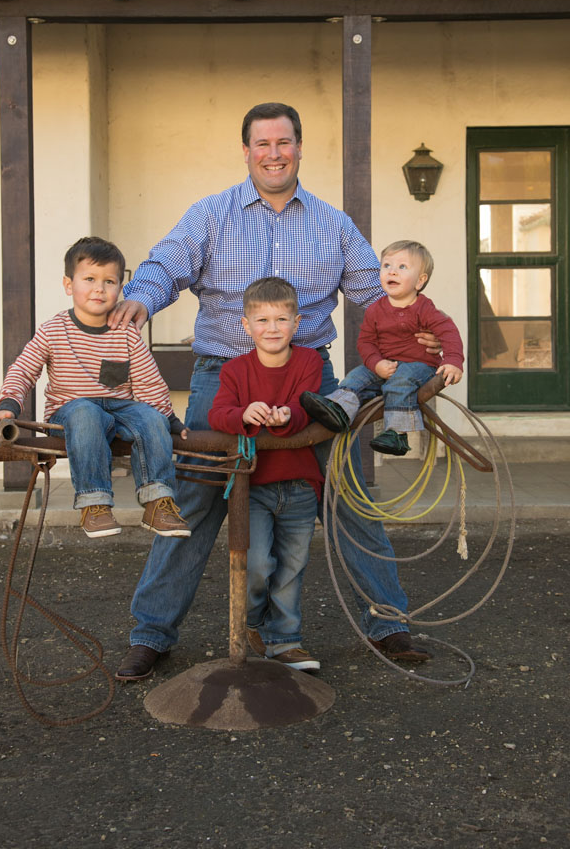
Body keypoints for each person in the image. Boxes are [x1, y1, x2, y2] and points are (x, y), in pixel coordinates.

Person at [112, 101, 435, 682]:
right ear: (246, 152)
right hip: (224, 375)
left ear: (300, 148)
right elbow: (166, 264)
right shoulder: (211, 216)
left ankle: (389, 623)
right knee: (194, 499)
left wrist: (420, 330)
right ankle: (151, 634)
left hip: (312, 378)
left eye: (284, 142)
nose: (274, 153)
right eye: (262, 144)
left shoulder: (333, 224)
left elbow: (376, 290)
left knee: (348, 490)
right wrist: (140, 298)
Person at [0, 236, 190, 540]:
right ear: (68, 285)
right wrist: (7, 405)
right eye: (89, 279)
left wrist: (168, 419)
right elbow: (24, 369)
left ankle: (157, 502)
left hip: (118, 409)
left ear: (121, 288)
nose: (99, 288)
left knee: (151, 419)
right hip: (70, 411)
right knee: (87, 414)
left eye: (110, 281)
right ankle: (94, 503)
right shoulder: (54, 329)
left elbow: (147, 379)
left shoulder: (125, 331)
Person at [208, 277, 324, 672]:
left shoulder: (309, 361)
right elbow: (218, 414)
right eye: (262, 320)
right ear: (245, 325)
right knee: (257, 564)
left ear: (297, 321)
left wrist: (290, 414)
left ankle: (286, 640)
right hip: (252, 487)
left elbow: (307, 406)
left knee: (292, 566)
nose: (272, 328)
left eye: (281, 319)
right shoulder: (236, 371)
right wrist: (244, 414)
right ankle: (253, 622)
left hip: (299, 484)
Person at [301, 240, 463, 456]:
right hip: (386, 363)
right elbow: (366, 342)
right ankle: (338, 409)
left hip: (419, 365)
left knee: (400, 383)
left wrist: (452, 360)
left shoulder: (424, 308)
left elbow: (447, 331)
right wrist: (376, 364)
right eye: (386, 266)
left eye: (402, 267)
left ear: (420, 281)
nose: (392, 272)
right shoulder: (376, 310)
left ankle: (397, 433)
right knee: (356, 377)